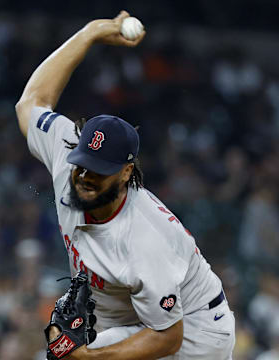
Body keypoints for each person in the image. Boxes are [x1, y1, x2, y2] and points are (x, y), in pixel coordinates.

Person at [15, 10, 235, 360]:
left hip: (194, 334)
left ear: (126, 173)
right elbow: (32, 102)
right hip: (134, 314)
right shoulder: (65, 152)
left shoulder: (144, 239)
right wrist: (88, 34)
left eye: (99, 170)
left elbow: (167, 338)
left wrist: (88, 358)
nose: (86, 177)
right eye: (83, 165)